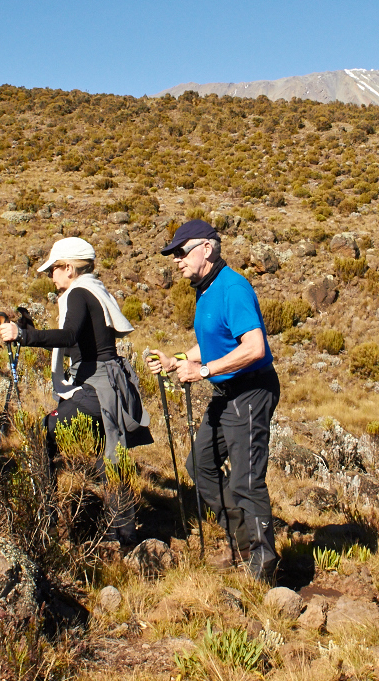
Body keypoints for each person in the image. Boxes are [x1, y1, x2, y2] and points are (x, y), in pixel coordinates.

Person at [145, 220, 280, 581]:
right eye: (174, 255)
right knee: (200, 465)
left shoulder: (232, 288)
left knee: (246, 481)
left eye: (181, 252)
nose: (177, 260)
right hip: (227, 393)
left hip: (251, 391)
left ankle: (264, 567)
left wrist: (202, 371)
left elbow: (254, 347)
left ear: (206, 248)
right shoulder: (205, 290)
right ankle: (243, 543)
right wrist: (178, 360)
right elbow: (214, 342)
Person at [0, 237, 150, 544]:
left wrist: (22, 335)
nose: (50, 277)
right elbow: (78, 345)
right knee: (110, 455)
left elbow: (67, 336)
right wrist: (32, 332)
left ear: (68, 268)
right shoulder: (95, 290)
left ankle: (47, 523)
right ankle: (123, 535)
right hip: (109, 386)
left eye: (53, 269)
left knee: (42, 434)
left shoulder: (78, 292)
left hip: (95, 387)